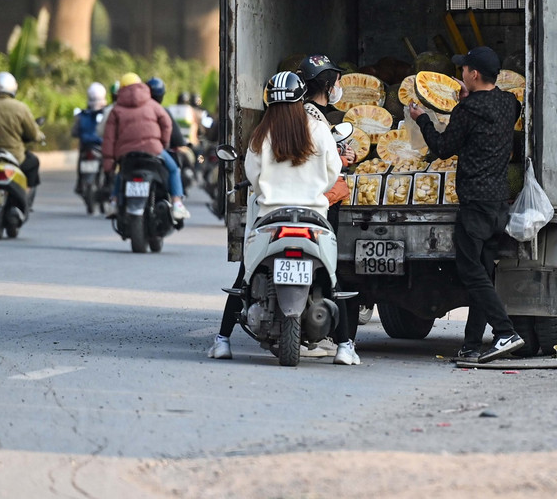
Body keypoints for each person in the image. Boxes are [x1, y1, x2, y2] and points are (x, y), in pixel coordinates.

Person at [208, 70, 352, 363]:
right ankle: (345, 347)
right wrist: (313, 191)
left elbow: (254, 177)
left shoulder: (262, 134)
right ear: (302, 99)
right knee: (333, 281)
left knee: (243, 280)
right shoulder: (319, 129)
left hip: (271, 218)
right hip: (314, 218)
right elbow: (333, 172)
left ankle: (222, 341)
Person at [409, 45, 524, 363]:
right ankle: (472, 344)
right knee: (482, 274)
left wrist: (423, 120)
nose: (459, 75)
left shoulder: (467, 111)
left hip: (474, 203)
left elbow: (443, 148)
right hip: (499, 202)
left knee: (470, 270)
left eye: (463, 70)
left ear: (474, 75)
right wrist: (468, 100)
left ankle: (505, 332)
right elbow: (499, 113)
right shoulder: (508, 103)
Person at [298, 54, 362, 364]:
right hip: (319, 202)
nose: (339, 86)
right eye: (336, 81)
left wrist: (343, 155)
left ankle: (316, 334)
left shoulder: (303, 115)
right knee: (327, 271)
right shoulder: (313, 118)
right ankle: (341, 343)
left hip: (301, 200)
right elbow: (322, 164)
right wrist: (341, 162)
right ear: (326, 84)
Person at [102, 72, 190, 220]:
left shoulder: (115, 110)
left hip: (126, 154)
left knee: (120, 172)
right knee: (174, 169)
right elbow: (167, 125)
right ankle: (177, 204)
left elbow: (109, 138)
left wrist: (109, 162)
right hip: (153, 150)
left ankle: (114, 202)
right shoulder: (153, 104)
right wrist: (162, 144)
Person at [0, 72, 42, 188]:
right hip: (15, 157)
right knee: (33, 162)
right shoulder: (21, 108)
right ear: (13, 87)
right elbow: (33, 134)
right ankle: (27, 197)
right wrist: (39, 136)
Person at [71, 82, 107, 191]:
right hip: (99, 148)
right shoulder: (106, 113)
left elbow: (74, 132)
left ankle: (80, 183)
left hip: (87, 147)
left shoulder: (82, 114)